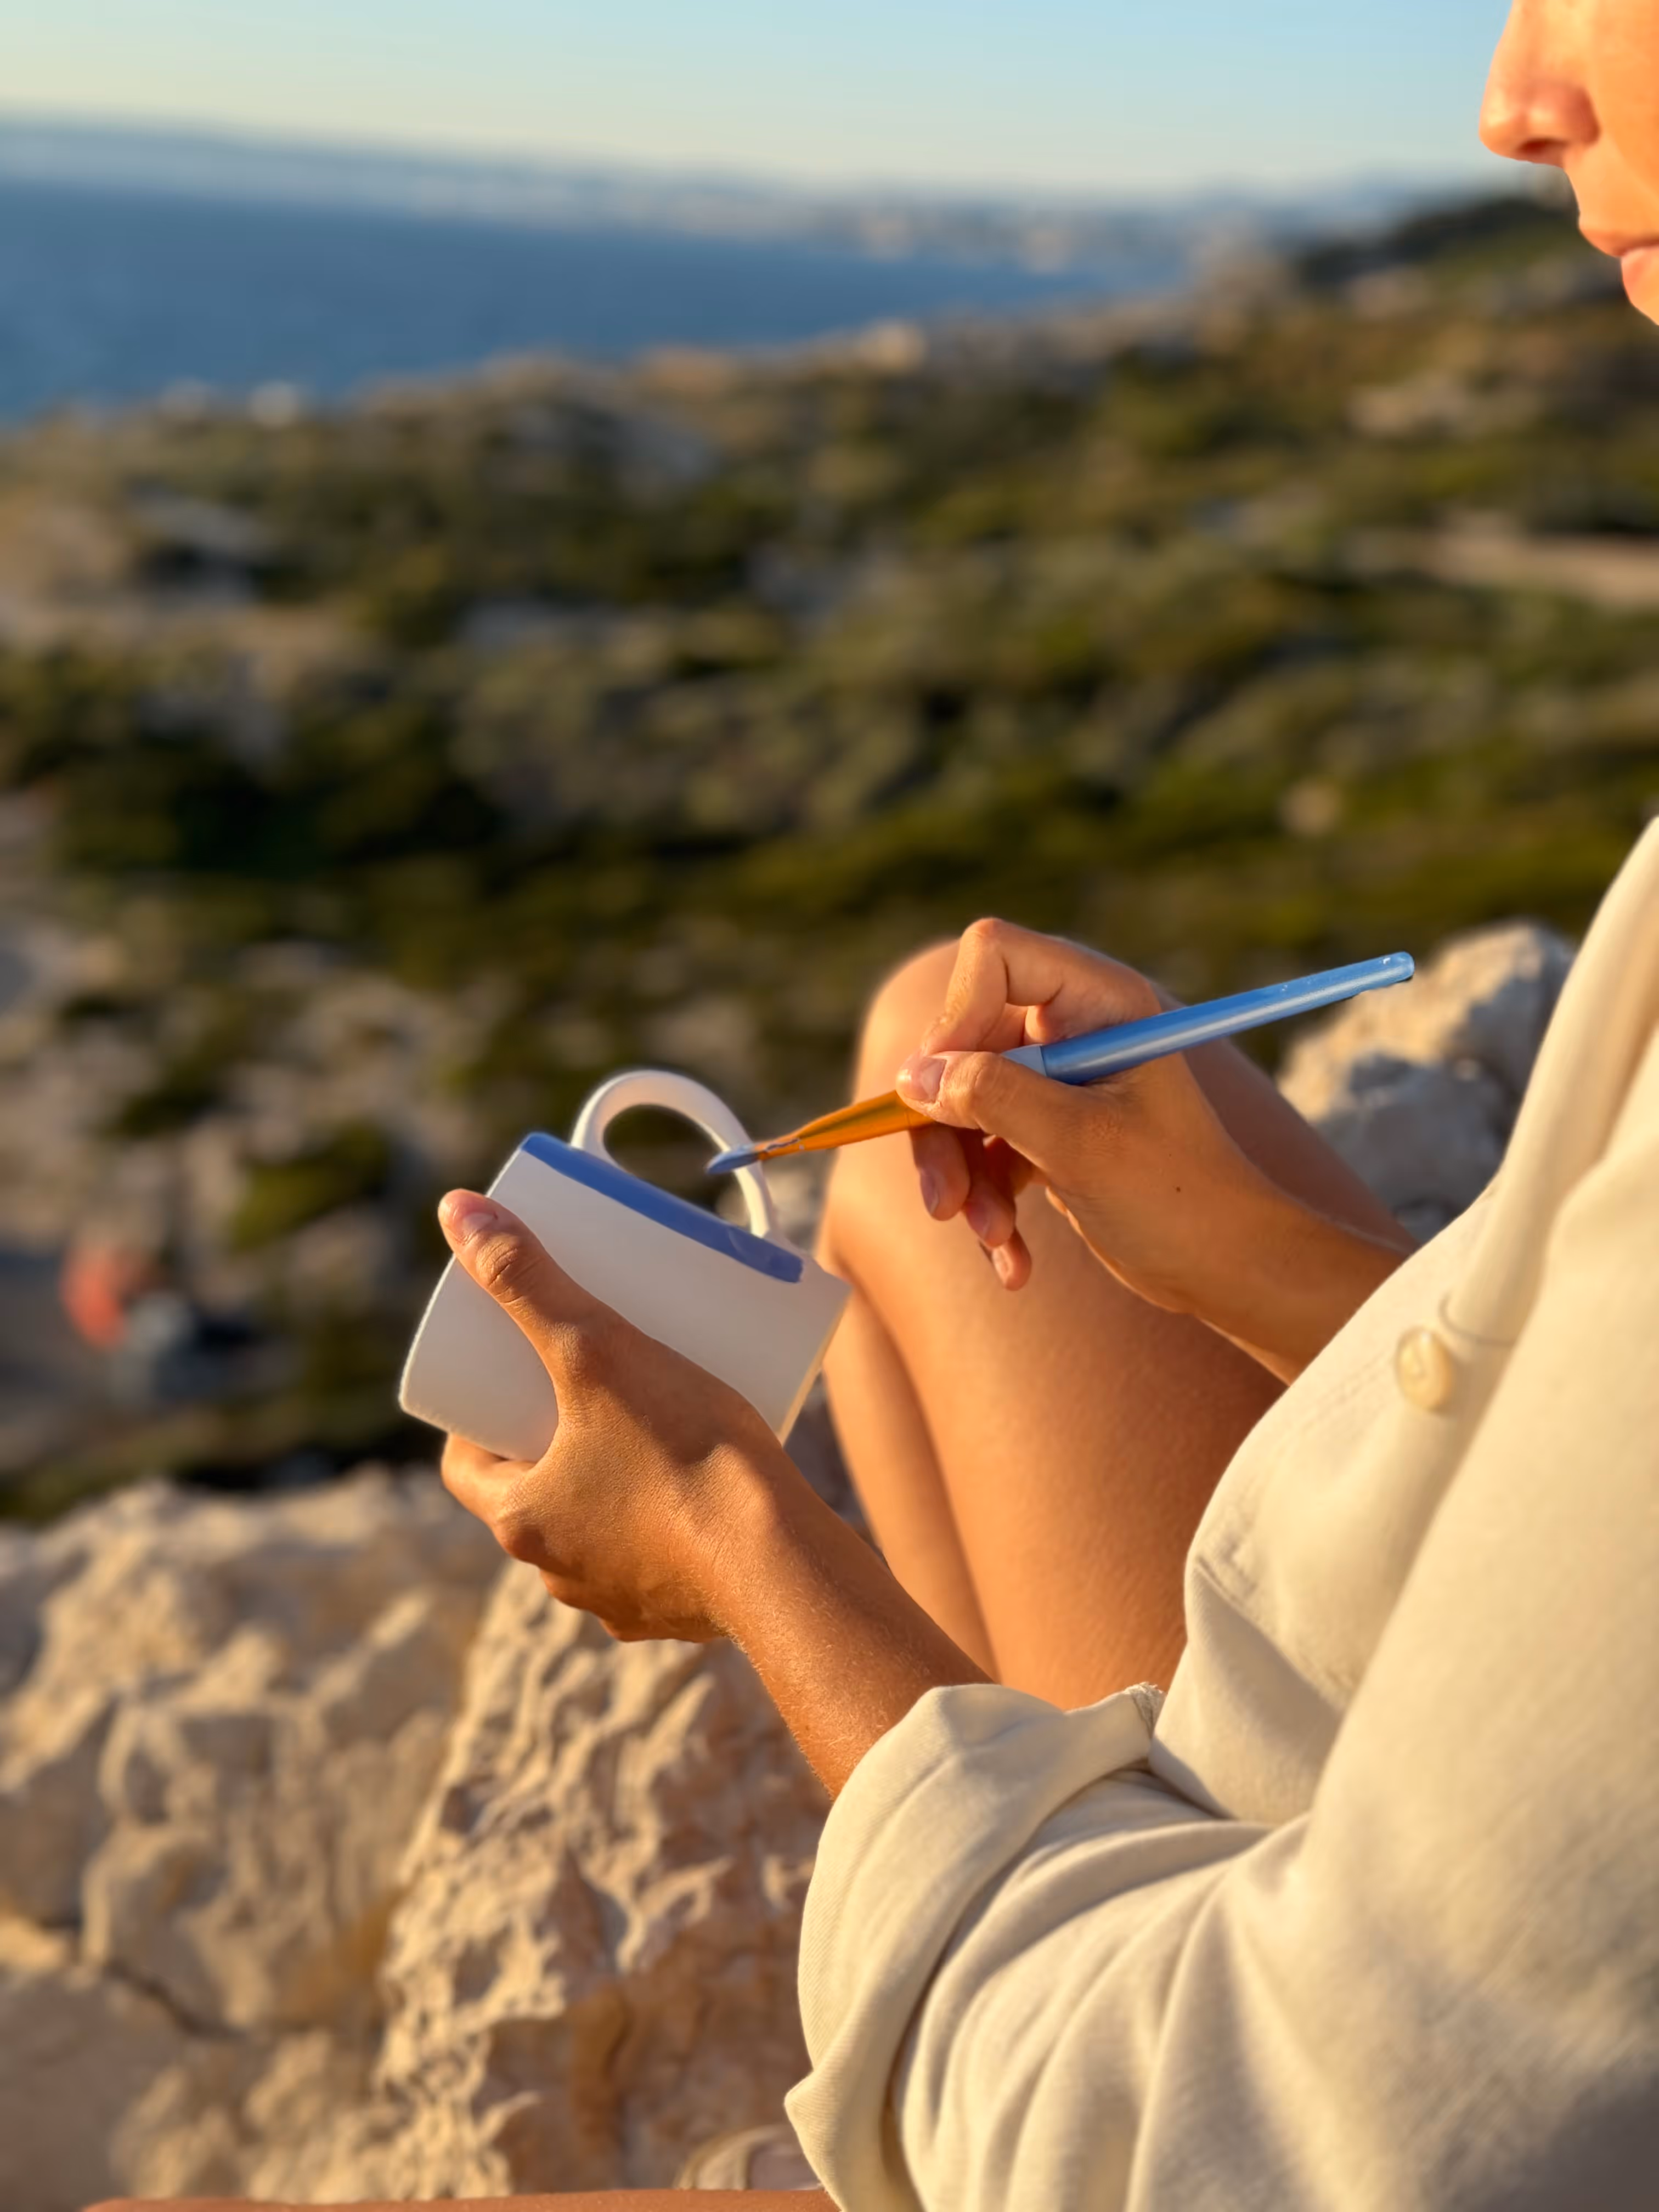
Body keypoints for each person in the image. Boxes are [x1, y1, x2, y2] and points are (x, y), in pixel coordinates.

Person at [92, 3, 1659, 2208]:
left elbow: (1293, 2149)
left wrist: (739, 1534)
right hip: (1439, 1866)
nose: (1513, 102)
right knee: (939, 1082)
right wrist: (1288, 1272)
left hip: (1287, 2073)